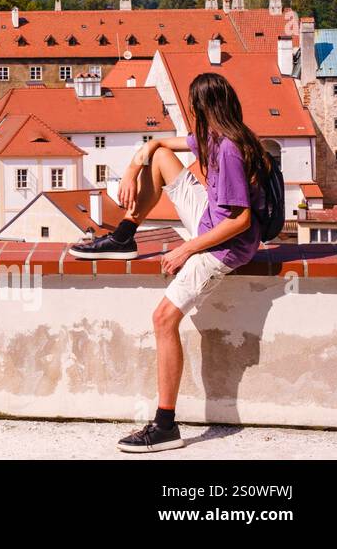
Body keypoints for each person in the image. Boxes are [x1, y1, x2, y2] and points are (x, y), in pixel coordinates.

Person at [69, 72, 268, 453]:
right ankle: (125, 236)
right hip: (210, 220)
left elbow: (240, 219)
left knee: (163, 319)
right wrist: (132, 168)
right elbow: (158, 145)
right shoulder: (212, 135)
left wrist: (188, 248)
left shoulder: (227, 146)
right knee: (160, 159)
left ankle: (165, 425)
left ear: (200, 107)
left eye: (190, 105)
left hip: (224, 245)